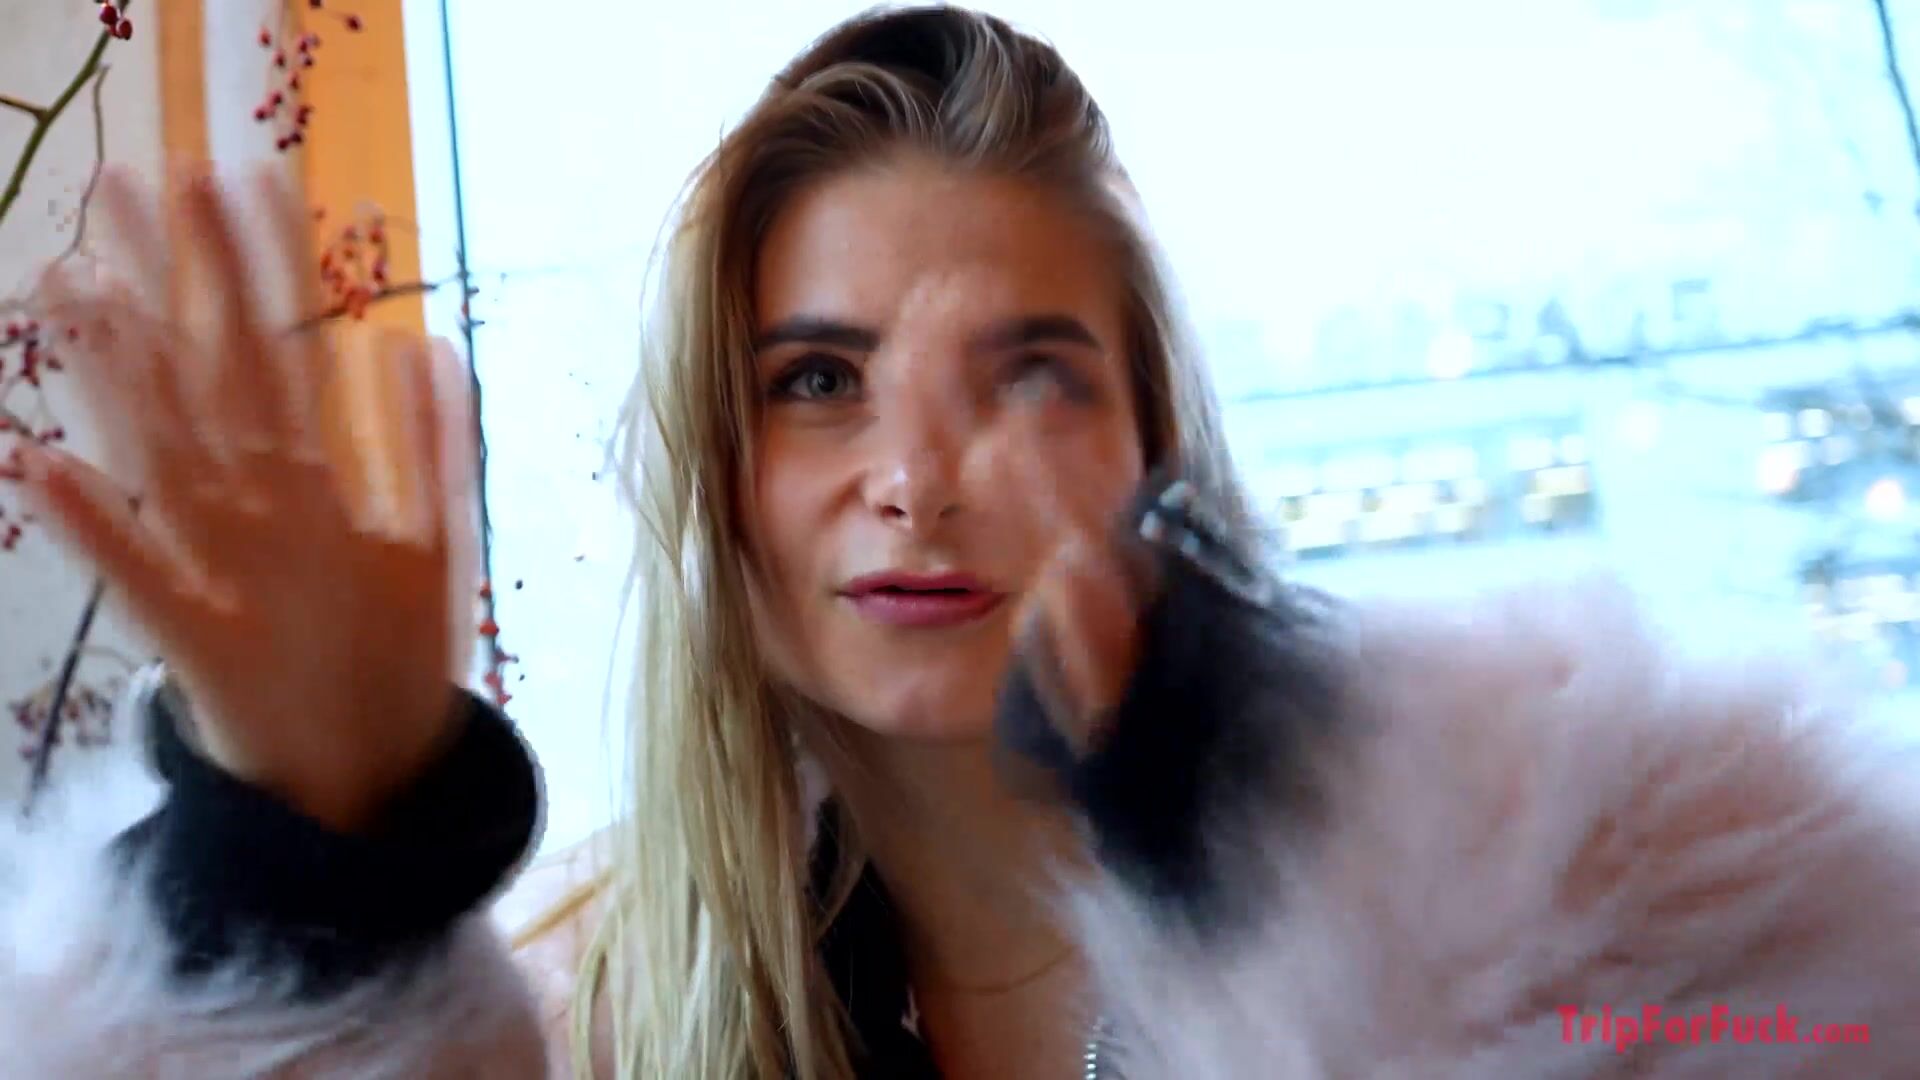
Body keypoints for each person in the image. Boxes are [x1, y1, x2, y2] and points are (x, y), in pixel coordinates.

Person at [8, 5, 1920, 1079]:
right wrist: (302, 872)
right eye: (819, 381)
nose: (919, 476)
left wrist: (1341, 877)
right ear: (715, 476)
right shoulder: (585, 1008)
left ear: (1154, 444)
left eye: (1027, 375)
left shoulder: (1554, 894)